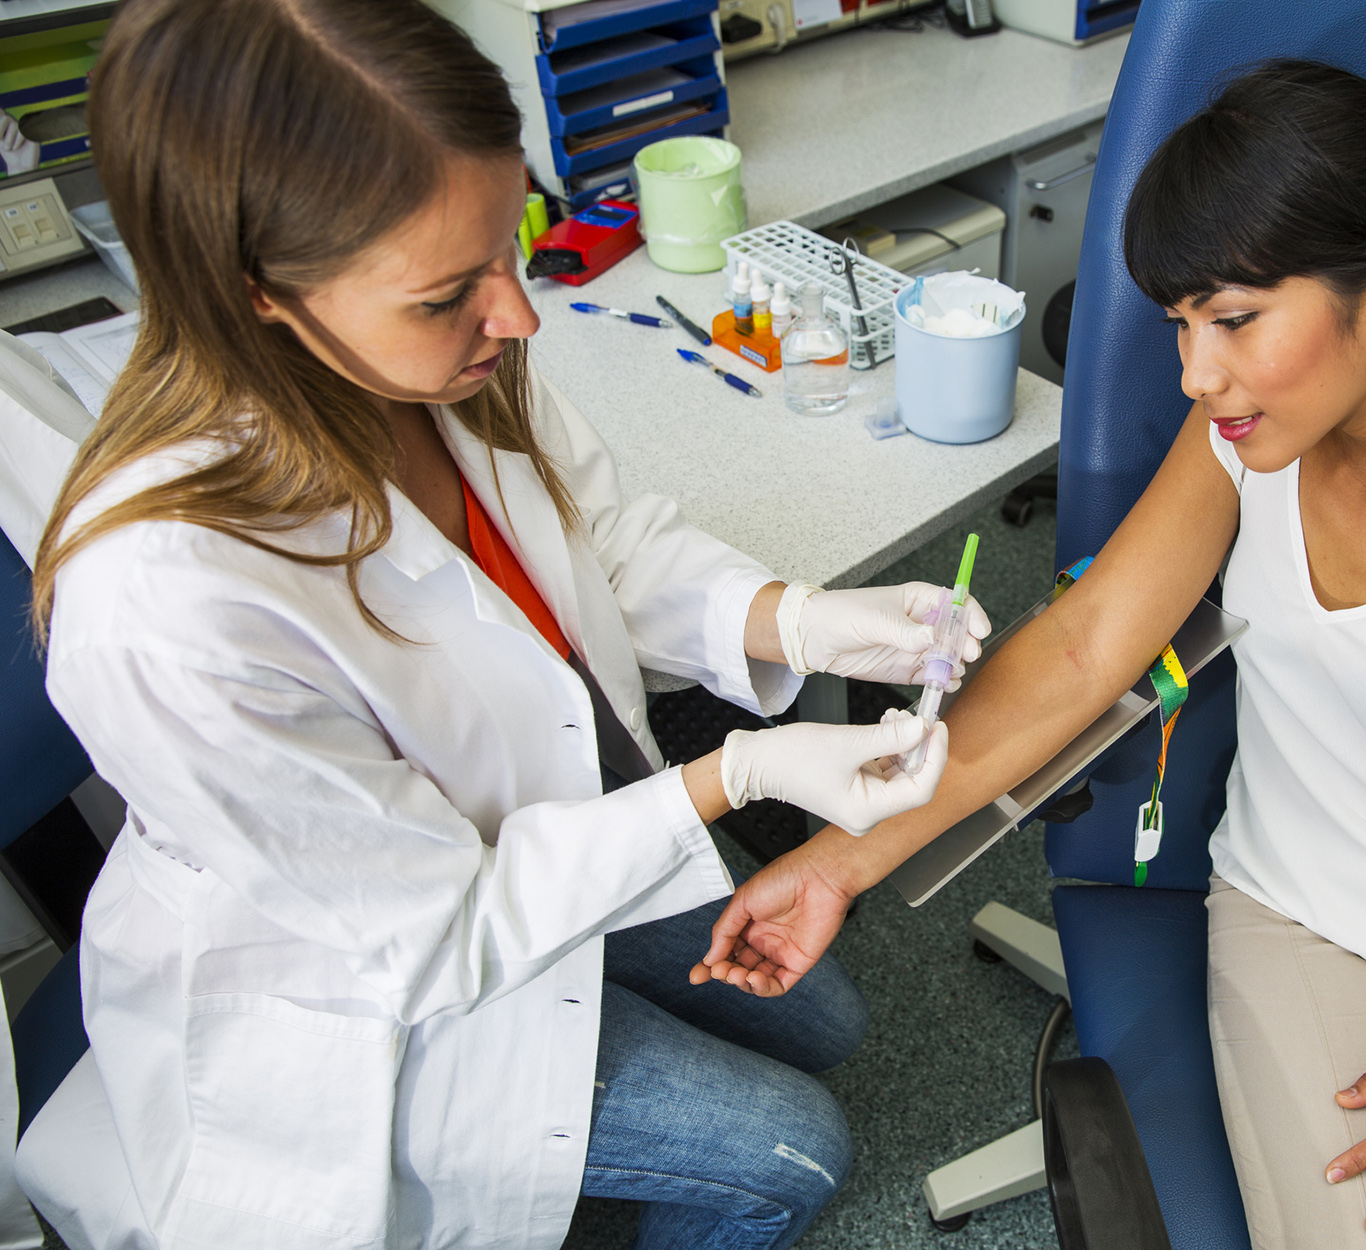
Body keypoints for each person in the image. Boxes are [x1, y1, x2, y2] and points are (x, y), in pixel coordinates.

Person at [20, 1, 988, 1247]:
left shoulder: (439, 356)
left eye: (508, 244)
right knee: (794, 1147)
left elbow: (599, 539)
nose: (519, 316)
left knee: (832, 1021)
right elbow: (441, 932)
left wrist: (795, 620)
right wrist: (728, 773)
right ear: (258, 292)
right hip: (381, 980)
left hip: (555, 829)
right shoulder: (166, 601)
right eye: (447, 293)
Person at [692, 61, 1366, 1250]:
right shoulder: (1245, 442)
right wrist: (836, 862)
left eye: (1231, 320)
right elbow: (1076, 653)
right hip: (1303, 916)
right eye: (1181, 324)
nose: (1195, 373)